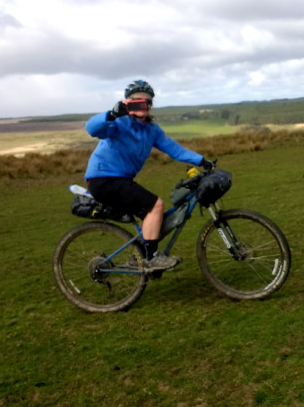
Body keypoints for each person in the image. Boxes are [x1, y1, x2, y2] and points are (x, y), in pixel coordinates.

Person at [84, 80, 215, 271]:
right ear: (127, 102)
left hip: (121, 180)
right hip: (103, 180)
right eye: (136, 101)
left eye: (146, 102)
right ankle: (151, 258)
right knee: (156, 205)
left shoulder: (151, 130)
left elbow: (174, 149)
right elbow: (91, 129)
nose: (142, 104)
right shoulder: (118, 123)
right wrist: (112, 114)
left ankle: (137, 257)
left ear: (150, 105)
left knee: (153, 216)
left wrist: (202, 161)